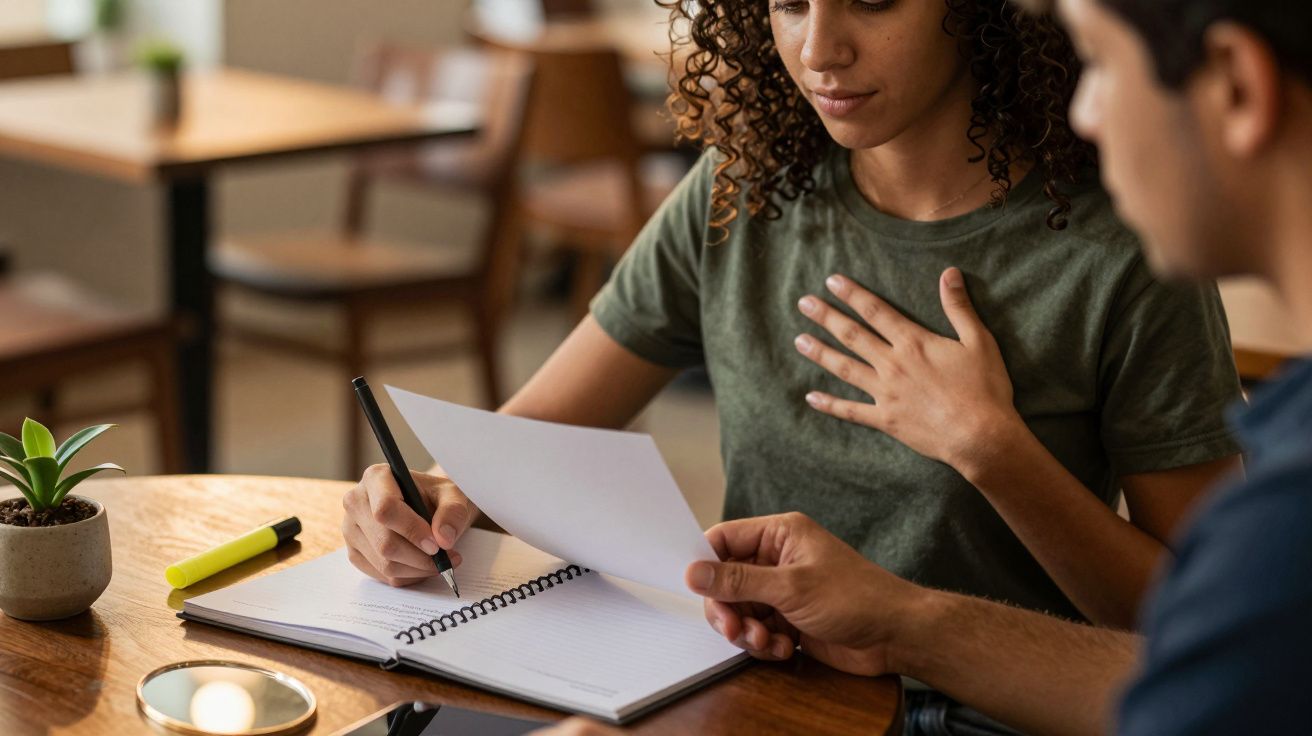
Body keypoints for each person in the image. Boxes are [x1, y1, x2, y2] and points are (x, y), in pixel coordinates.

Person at [343, 0, 1244, 729]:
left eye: (873, 2)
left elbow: (1209, 634)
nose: (819, 50)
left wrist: (993, 452)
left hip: (979, 714)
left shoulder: (1122, 250)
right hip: (747, 684)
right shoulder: (743, 188)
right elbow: (522, 444)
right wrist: (431, 500)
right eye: (789, 4)